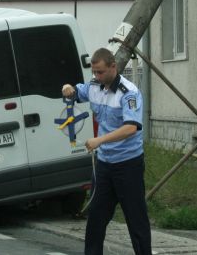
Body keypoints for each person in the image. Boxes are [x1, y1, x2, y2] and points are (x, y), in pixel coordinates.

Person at [61, 47, 151, 255]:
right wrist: (67, 88)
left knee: (136, 220)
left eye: (101, 72)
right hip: (104, 165)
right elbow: (76, 92)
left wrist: (100, 140)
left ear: (113, 67)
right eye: (94, 72)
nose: (97, 76)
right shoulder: (94, 86)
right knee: (96, 218)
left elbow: (131, 127)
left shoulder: (128, 93)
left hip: (128, 165)